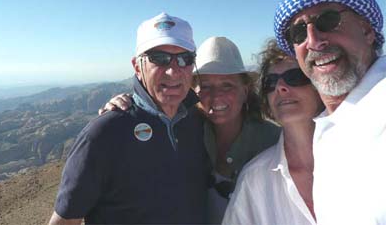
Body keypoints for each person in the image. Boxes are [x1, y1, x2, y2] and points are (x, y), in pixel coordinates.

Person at [48, 12, 207, 225]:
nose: (173, 70)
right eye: (159, 58)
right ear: (137, 67)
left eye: (185, 59)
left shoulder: (198, 121)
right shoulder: (105, 133)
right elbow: (64, 221)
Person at [101, 36, 280, 223]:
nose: (216, 96)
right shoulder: (185, 130)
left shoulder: (273, 143)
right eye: (205, 86)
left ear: (245, 91)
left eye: (227, 86)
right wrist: (126, 108)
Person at [274, 0, 386, 224]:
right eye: (299, 32)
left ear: (366, 30)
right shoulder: (326, 129)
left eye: (328, 20)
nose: (313, 41)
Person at [222, 39, 322, 225]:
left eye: (295, 77)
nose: (280, 88)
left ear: (319, 87)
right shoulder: (253, 180)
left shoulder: (368, 157)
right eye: (270, 82)